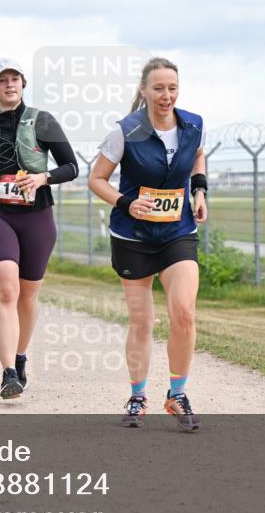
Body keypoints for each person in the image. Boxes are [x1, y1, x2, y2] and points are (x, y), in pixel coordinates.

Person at [87, 57, 207, 432]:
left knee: (184, 312)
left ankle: (177, 393)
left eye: (172, 88)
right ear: (144, 90)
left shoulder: (194, 124)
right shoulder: (126, 131)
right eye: (158, 88)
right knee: (142, 321)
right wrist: (127, 202)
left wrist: (199, 192)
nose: (166, 95)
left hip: (177, 231)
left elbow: (198, 156)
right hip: (133, 237)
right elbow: (97, 179)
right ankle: (138, 395)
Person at [0, 57, 79, 399]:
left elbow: (72, 166)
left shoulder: (44, 121)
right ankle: (9, 372)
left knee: (28, 294)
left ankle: (21, 356)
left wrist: (43, 177)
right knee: (6, 290)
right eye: (2, 80)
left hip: (37, 215)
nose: (9, 85)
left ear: (23, 84)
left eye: (15, 79)